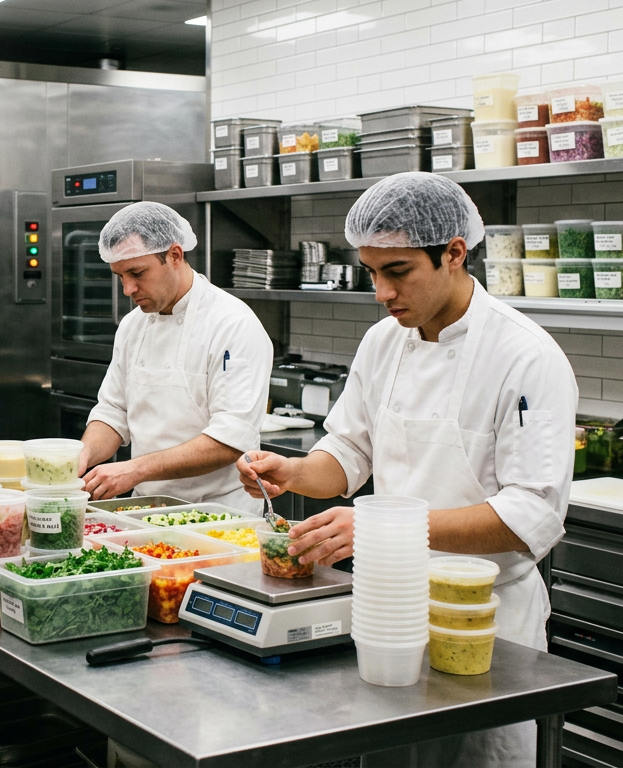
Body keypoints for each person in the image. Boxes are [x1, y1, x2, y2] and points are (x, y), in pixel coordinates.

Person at [239, 173, 577, 767]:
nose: (381, 292)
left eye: (397, 271)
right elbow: (347, 454)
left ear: (453, 253)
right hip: (385, 610)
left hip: (482, 623)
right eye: (371, 272)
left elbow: (530, 515)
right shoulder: (382, 342)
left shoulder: (525, 355)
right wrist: (292, 472)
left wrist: (383, 529)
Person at [79, 202, 273, 512]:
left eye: (137, 273)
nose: (128, 288)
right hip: (145, 512)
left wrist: (134, 470)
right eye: (120, 276)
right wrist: (81, 456)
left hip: (219, 519)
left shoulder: (232, 324)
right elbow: (114, 411)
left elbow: (230, 439)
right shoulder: (133, 325)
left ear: (175, 256)